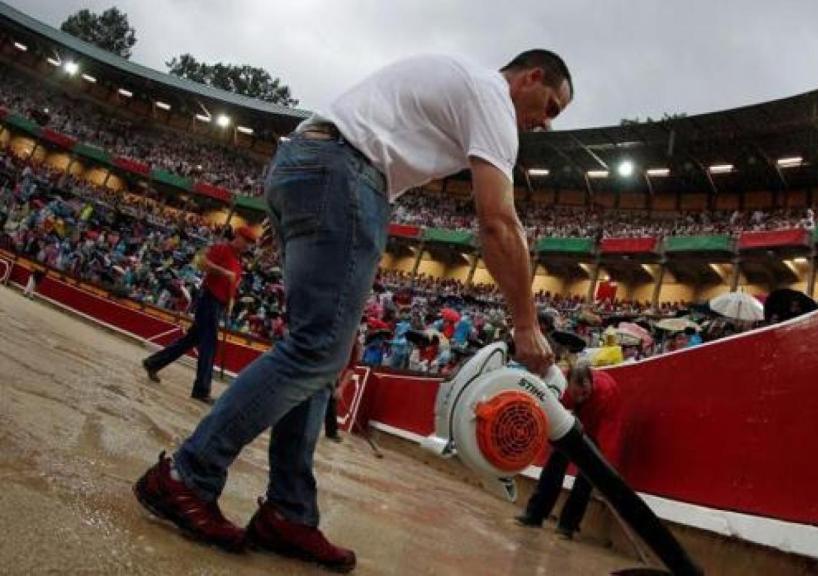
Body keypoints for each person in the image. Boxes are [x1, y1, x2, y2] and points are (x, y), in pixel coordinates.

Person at [134, 49, 571, 572]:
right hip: (343, 174)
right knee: (317, 352)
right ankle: (187, 475)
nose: (546, 121)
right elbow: (498, 221)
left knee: (318, 358)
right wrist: (526, 321)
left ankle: (289, 512)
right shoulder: (493, 99)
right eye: (551, 105)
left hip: (309, 163)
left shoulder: (460, 78)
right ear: (532, 76)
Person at [141, 226, 259, 402]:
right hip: (209, 299)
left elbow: (231, 285)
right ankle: (201, 390)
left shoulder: (237, 260)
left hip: (217, 303)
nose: (248, 246)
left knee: (190, 340)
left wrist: (230, 302)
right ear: (238, 237)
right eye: (247, 241)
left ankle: (153, 363)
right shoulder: (222, 249)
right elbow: (203, 264)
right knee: (209, 345)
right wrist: (224, 272)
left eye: (250, 243)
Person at [516, 360, 623, 539]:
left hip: (596, 432)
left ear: (591, 383)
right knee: (555, 464)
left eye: (584, 393)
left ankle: (568, 526)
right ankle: (535, 515)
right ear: (569, 384)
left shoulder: (608, 393)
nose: (580, 397)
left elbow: (608, 435)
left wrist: (603, 467)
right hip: (569, 423)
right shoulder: (563, 388)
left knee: (587, 476)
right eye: (576, 394)